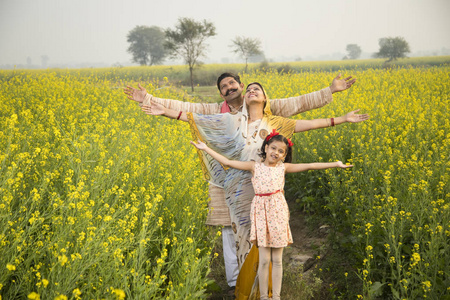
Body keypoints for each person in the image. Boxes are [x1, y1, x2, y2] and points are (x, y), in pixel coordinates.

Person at [125, 73, 356, 292]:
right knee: (235, 232)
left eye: (234, 84)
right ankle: (239, 285)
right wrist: (152, 101)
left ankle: (262, 288)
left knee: (261, 235)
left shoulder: (274, 116)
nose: (230, 88)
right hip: (229, 184)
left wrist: (332, 95)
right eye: (224, 87)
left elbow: (302, 106)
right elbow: (189, 111)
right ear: (222, 93)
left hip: (262, 187)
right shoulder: (223, 116)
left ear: (249, 89)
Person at [190, 131, 353, 300]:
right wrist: (205, 148)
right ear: (266, 148)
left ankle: (276, 296)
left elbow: (310, 165)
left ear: (284, 155)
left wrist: (336, 163)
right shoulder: (255, 166)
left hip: (278, 212)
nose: (276, 152)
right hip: (260, 212)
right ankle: (263, 296)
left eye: (281, 151)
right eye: (273, 148)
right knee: (264, 259)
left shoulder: (284, 168)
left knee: (277, 259)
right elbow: (228, 162)